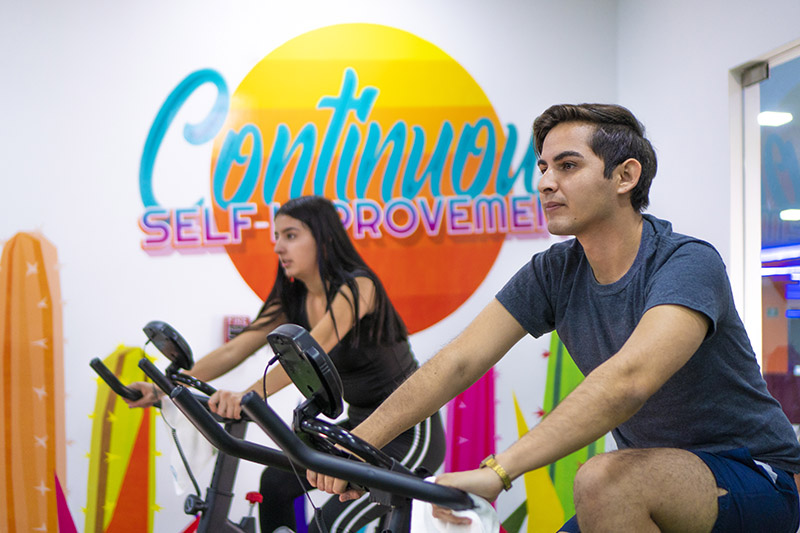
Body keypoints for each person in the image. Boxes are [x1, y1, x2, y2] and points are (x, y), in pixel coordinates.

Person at [311, 104, 800, 532]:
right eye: (543, 167)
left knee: (604, 479)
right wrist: (356, 442)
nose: (545, 182)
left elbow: (629, 380)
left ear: (625, 177)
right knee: (610, 483)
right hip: (659, 475)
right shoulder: (555, 271)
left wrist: (499, 472)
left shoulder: (686, 262)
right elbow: (460, 360)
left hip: (760, 475)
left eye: (568, 166)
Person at [126, 195, 445, 533]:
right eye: (277, 237)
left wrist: (247, 396)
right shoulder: (293, 298)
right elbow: (235, 350)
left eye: (290, 235)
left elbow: (312, 350)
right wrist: (163, 388)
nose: (278, 247)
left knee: (331, 526)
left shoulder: (359, 287)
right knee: (276, 483)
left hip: (409, 429)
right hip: (359, 427)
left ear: (324, 238)